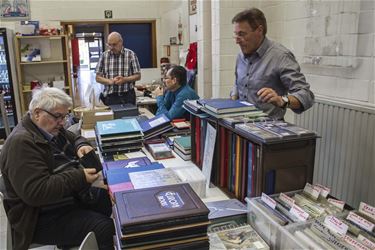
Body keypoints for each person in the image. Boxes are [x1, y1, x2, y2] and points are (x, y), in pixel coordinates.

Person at [0, 87, 114, 250]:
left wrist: (81, 144)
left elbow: (74, 137)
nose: (62, 122)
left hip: (59, 201)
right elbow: (36, 192)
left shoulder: (46, 129)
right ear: (38, 113)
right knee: (104, 228)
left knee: (107, 199)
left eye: (64, 116)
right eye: (58, 117)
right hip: (37, 218)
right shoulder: (21, 144)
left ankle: (73, 241)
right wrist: (80, 177)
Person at [231, 8, 314, 120]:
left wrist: (281, 100)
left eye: (242, 34)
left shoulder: (280, 56)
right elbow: (237, 84)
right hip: (241, 128)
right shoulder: (240, 56)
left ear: (259, 30)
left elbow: (306, 95)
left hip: (267, 130)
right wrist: (234, 94)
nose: (237, 41)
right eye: (236, 35)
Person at [96, 31, 141, 105]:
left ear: (121, 42)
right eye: (109, 45)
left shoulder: (131, 55)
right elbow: (97, 78)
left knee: (130, 116)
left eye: (114, 45)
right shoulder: (104, 56)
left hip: (128, 96)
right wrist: (110, 81)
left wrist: (125, 79)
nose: (111, 48)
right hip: (110, 97)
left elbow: (138, 76)